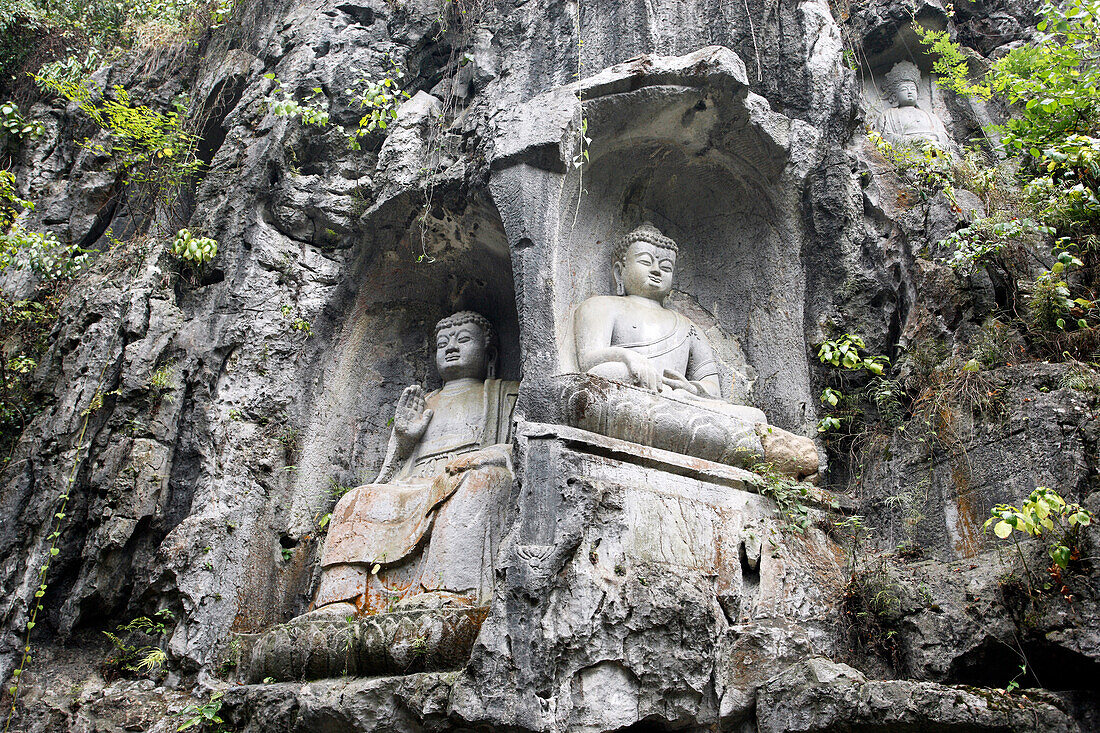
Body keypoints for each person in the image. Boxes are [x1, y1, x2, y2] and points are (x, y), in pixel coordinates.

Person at [309, 311, 518, 617]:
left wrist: (481, 457)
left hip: (462, 476)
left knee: (482, 482)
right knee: (357, 499)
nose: (451, 348)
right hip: (415, 483)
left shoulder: (505, 393)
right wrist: (405, 438)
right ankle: (340, 600)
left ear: (489, 351)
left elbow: (519, 447)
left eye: (463, 340)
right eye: (443, 343)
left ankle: (448, 590)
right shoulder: (426, 400)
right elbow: (394, 469)